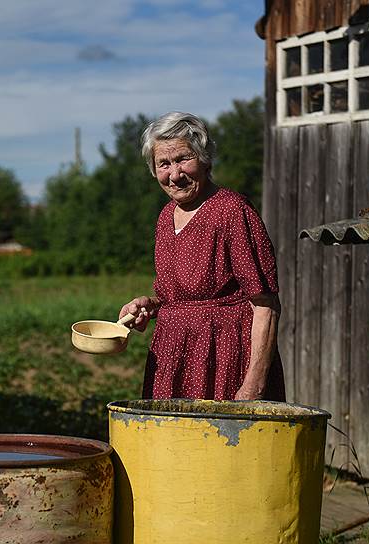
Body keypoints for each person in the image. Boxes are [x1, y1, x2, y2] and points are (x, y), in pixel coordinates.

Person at [119, 111, 285, 401]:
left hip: (223, 358)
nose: (174, 174)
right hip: (172, 359)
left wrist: (253, 385)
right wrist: (151, 306)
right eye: (163, 164)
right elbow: (182, 298)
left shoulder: (232, 211)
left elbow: (265, 304)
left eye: (183, 159)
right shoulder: (165, 216)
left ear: (205, 158)